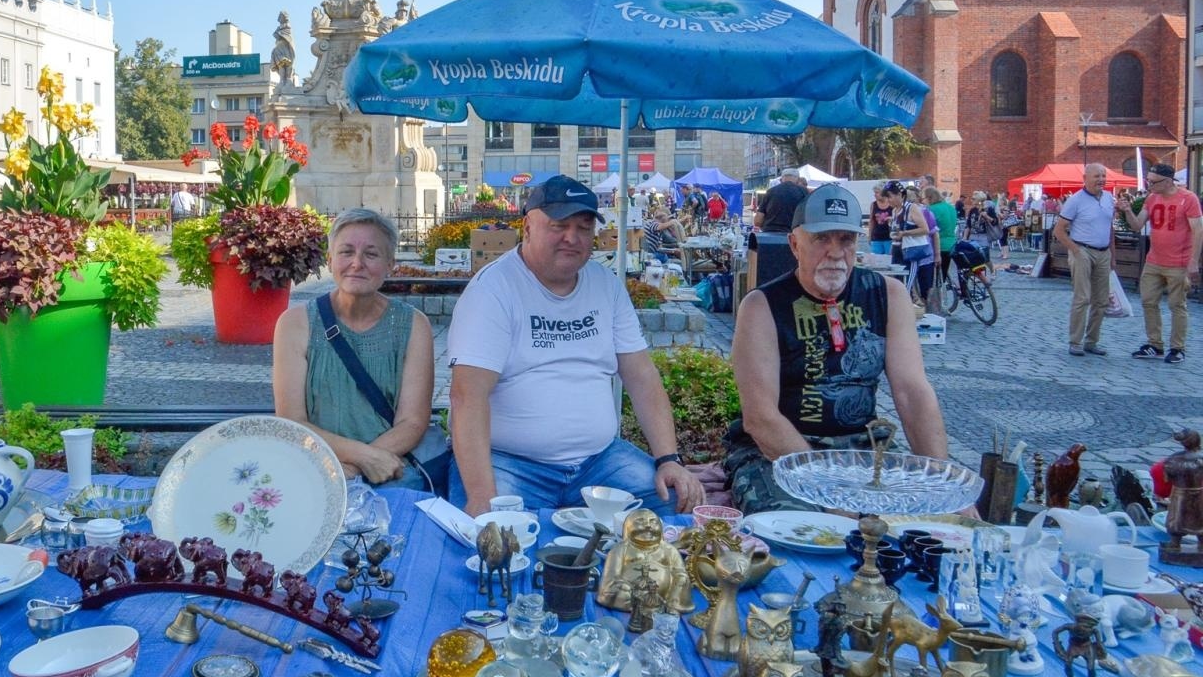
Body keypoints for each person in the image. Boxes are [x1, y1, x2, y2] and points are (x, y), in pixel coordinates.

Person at [445, 175, 706, 518]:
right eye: (559, 225)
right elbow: (467, 396)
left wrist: (669, 460)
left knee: (676, 504)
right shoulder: (493, 290)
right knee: (497, 541)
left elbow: (641, 375)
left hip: (599, 462)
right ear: (527, 226)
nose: (572, 237)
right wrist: (482, 496)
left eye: (583, 228)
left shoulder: (605, 285)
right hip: (509, 463)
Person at [725, 185, 957, 514]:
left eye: (845, 239)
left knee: (914, 522)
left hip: (861, 448)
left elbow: (912, 392)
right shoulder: (762, 306)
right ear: (795, 244)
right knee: (797, 524)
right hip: (780, 451)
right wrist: (828, 490)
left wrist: (942, 481)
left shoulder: (887, 295)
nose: (835, 252)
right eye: (821, 239)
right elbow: (761, 419)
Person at [272, 208, 436, 490]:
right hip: (314, 469)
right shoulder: (295, 323)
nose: (357, 263)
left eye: (371, 254)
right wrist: (360, 459)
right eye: (346, 252)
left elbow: (412, 421)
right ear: (330, 260)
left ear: (390, 264)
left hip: (390, 470)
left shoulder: (413, 325)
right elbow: (292, 421)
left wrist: (363, 467)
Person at [1117, 162, 1202, 363]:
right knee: (1148, 302)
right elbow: (1138, 225)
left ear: (1167, 181)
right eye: (1148, 181)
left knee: (1177, 305)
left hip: (1178, 262)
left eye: (1153, 182)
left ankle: (1177, 348)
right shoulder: (1152, 198)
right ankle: (1155, 344)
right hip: (1154, 260)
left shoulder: (1187, 199)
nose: (1149, 185)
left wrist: (1193, 261)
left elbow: (1198, 230)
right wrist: (1128, 211)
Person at [1054, 164, 1115, 357]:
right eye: (1097, 176)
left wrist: (1113, 254)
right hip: (1083, 250)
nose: (1101, 180)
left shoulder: (1108, 198)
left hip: (1103, 251)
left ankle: (1092, 341)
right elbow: (1059, 230)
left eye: (1103, 176)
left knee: (1101, 300)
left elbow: (1109, 227)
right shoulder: (1075, 200)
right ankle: (1075, 341)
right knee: (1082, 297)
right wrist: (1075, 250)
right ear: (1085, 178)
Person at [888, 181, 933, 312]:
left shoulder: (912, 208)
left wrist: (904, 233)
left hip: (910, 252)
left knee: (907, 286)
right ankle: (900, 313)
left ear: (899, 195)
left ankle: (907, 315)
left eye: (890, 196)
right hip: (897, 249)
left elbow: (925, 229)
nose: (889, 200)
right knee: (897, 284)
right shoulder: (895, 210)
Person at [925, 186, 958, 291]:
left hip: (938, 245)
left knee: (934, 278)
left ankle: (936, 300)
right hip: (952, 243)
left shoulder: (931, 209)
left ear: (929, 198)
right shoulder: (951, 207)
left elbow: (929, 229)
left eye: (923, 199)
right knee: (943, 274)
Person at [868, 187, 894, 256]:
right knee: (876, 260)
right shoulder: (873, 204)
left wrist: (891, 218)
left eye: (877, 192)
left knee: (889, 260)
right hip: (876, 237)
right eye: (874, 193)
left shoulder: (891, 204)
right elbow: (871, 221)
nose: (875, 195)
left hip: (889, 237)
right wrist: (869, 236)